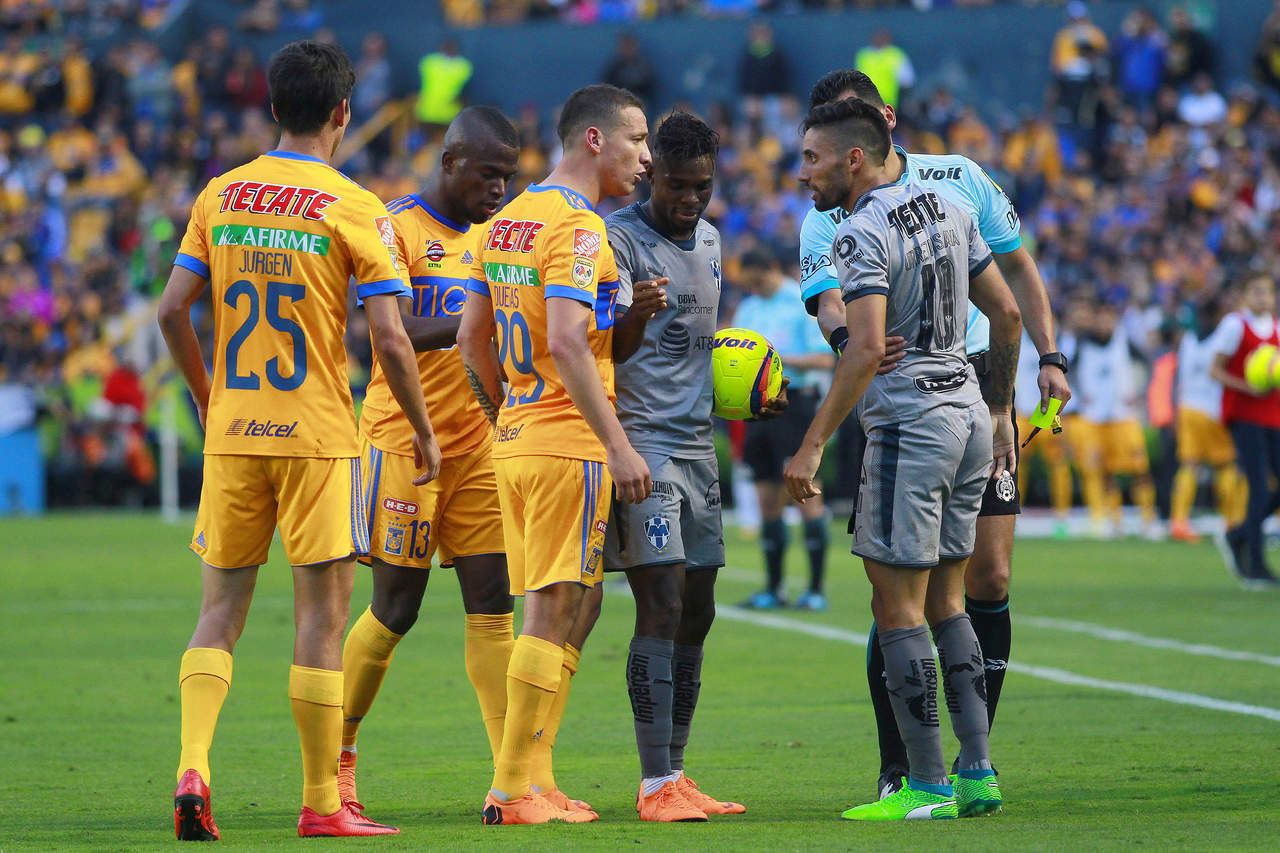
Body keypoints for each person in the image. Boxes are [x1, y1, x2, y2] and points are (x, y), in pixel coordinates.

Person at [157, 40, 441, 840]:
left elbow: (173, 310)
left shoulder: (222, 193)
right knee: (319, 622)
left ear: (273, 107)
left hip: (235, 432)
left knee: (218, 614)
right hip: (317, 435)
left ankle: (193, 763)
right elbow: (389, 339)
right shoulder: (356, 206)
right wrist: (422, 429)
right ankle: (322, 802)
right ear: (343, 112)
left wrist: (210, 399)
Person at [796, 69, 1071, 799]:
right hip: (971, 399)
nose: (802, 175)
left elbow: (862, 345)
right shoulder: (942, 209)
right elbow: (1001, 310)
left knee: (909, 600)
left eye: (812, 158)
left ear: (858, 144)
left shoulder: (872, 219)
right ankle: (971, 770)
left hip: (917, 410)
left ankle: (922, 782)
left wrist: (814, 439)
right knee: (947, 596)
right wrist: (997, 405)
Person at [457, 83, 653, 825]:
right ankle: (510, 789)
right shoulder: (577, 229)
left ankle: (534, 777)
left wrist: (501, 413)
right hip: (568, 441)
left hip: (515, 440)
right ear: (595, 140)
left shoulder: (504, 223)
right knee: (549, 610)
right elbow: (570, 339)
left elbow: (472, 335)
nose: (646, 157)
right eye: (637, 140)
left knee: (574, 599)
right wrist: (619, 444)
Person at [337, 106, 521, 811]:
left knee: (492, 604)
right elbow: (395, 329)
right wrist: (474, 319)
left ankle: (513, 776)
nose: (499, 188)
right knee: (396, 608)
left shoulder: (501, 238)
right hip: (401, 441)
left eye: (508, 175)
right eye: (487, 173)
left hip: (478, 442)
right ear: (450, 163)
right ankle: (339, 759)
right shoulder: (396, 225)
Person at [604, 111, 766, 822]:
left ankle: (677, 770)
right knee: (662, 601)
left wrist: (751, 394)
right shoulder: (618, 239)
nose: (689, 198)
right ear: (651, 173)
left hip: (700, 449)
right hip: (644, 449)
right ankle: (651, 784)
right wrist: (631, 314)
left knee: (697, 612)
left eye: (701, 185)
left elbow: (701, 351)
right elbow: (600, 350)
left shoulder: (710, 240)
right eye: (676, 184)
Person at [734, 247, 835, 610]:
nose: (756, 288)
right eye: (750, 284)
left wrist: (772, 360)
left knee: (805, 491)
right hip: (758, 410)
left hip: (795, 403)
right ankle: (773, 589)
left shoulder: (802, 304)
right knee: (766, 500)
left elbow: (826, 358)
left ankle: (815, 590)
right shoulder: (748, 308)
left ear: (772, 268)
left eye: (759, 281)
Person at [1211, 272, 1280, 587]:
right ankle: (1256, 564)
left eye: (1267, 292)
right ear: (1245, 295)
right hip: (1244, 415)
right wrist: (1247, 387)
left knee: (1270, 488)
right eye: (1256, 291)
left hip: (1274, 416)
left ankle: (1237, 535)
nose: (1262, 298)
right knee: (1259, 486)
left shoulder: (1277, 327)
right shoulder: (1235, 325)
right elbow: (1215, 369)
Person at [1071, 299, 1158, 539]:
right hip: (1095, 418)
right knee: (1103, 471)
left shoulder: (1124, 341)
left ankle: (1148, 520)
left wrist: (1140, 393)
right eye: (1100, 318)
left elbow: (1150, 363)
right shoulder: (1083, 343)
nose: (1104, 323)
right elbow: (1071, 372)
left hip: (1123, 416)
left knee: (1140, 469)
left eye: (1109, 318)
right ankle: (1113, 521)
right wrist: (1081, 394)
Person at [1169, 297, 1243, 543]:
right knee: (1226, 465)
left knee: (1189, 465)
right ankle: (1231, 519)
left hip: (1188, 407)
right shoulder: (1222, 339)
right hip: (1212, 410)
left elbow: (1178, 376)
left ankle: (1178, 521)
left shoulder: (1189, 339)